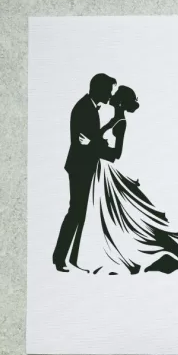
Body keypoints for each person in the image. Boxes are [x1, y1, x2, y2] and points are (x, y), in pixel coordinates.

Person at [77, 84, 178, 275]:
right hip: (103, 173)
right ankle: (176, 255)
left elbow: (116, 154)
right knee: (127, 220)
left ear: (121, 102)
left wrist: (91, 144)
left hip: (110, 174)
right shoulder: (114, 119)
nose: (112, 95)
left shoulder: (120, 122)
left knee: (138, 219)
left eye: (115, 95)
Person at [52, 73, 115, 271]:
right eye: (108, 91)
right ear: (99, 89)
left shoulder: (88, 107)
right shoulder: (83, 108)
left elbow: (90, 139)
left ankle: (65, 256)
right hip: (80, 167)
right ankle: (60, 257)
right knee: (76, 212)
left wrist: (104, 130)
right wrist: (101, 145)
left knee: (79, 212)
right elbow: (82, 143)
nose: (110, 95)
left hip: (84, 166)